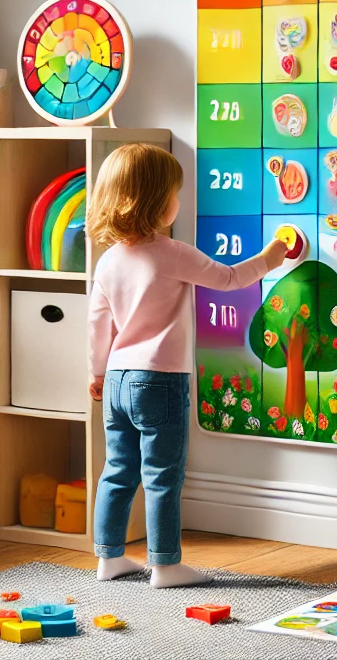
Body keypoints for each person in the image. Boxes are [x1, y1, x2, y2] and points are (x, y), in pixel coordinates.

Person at [85, 143, 287, 587]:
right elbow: (230, 279)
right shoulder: (172, 252)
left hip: (117, 379)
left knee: (118, 470)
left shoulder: (108, 260)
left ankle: (109, 557)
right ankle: (165, 565)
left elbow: (98, 323)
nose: (179, 201)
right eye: (175, 193)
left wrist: (97, 372)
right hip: (159, 379)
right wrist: (272, 258)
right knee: (162, 475)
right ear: (157, 203)